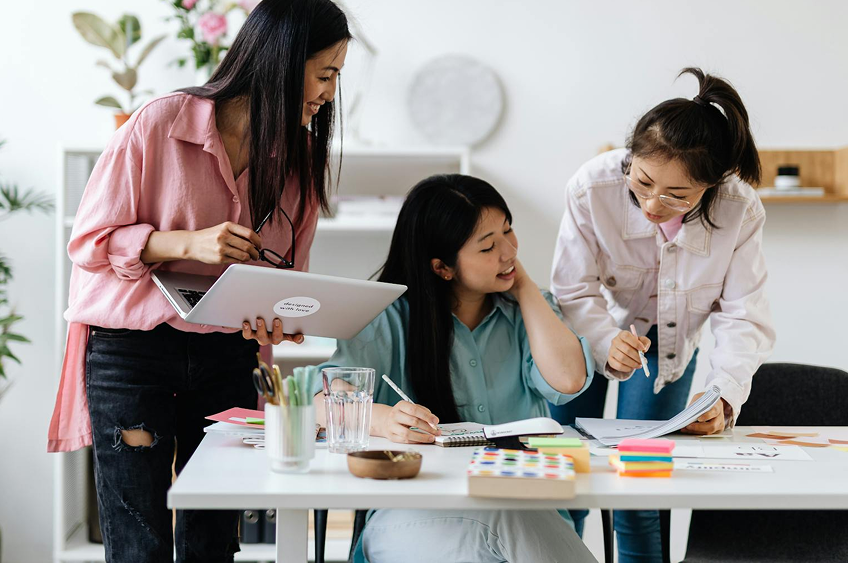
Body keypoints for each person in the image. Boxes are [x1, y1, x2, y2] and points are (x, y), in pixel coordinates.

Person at [47, 0, 350, 562]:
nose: (329, 93)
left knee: (213, 545)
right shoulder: (160, 123)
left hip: (225, 358)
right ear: (282, 61)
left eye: (335, 76)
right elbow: (88, 242)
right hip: (131, 354)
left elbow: (287, 280)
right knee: (139, 542)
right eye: (324, 73)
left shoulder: (301, 161)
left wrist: (279, 319)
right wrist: (188, 243)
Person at [549, 67, 775, 562]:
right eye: (644, 181)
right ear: (631, 155)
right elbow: (571, 287)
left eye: (678, 196)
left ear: (711, 187)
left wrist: (723, 395)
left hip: (670, 349)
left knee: (639, 492)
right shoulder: (592, 187)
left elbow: (744, 316)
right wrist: (606, 339)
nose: (654, 204)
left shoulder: (741, 209)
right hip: (578, 338)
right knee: (563, 484)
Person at [315, 174, 597, 563]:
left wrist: (525, 287)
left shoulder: (529, 313)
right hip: (413, 514)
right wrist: (381, 419)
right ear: (442, 267)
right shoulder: (386, 317)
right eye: (488, 247)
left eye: (509, 231)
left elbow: (568, 380)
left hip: (529, 509)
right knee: (504, 514)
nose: (509, 251)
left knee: (506, 513)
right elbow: (323, 400)